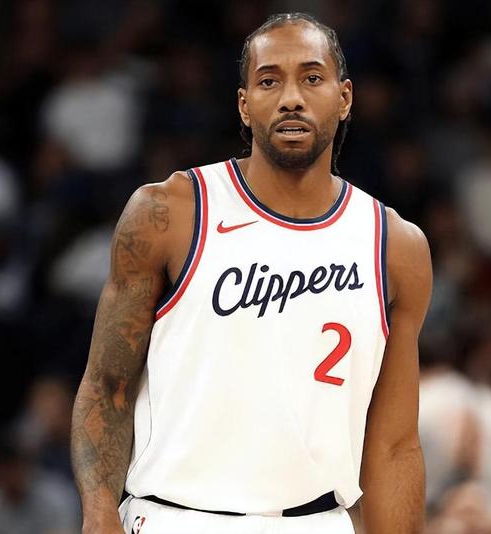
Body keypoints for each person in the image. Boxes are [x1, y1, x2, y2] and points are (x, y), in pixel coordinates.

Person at [70, 12, 432, 534]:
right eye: (269, 81)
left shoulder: (396, 246)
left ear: (345, 97)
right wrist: (100, 514)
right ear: (244, 105)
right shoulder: (169, 212)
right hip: (174, 517)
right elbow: (107, 386)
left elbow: (395, 445)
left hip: (317, 522)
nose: (291, 98)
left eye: (312, 78)